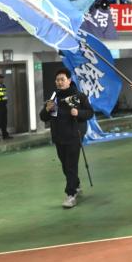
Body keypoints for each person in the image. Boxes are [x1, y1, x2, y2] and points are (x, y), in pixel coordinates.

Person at [40, 69, 94, 208]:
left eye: (62, 79)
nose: (59, 82)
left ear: (69, 80)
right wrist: (47, 109)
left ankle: (71, 194)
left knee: (71, 165)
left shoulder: (79, 96)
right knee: (65, 165)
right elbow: (43, 117)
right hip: (58, 137)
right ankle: (76, 185)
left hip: (74, 136)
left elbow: (90, 113)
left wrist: (78, 113)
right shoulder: (54, 97)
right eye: (57, 80)